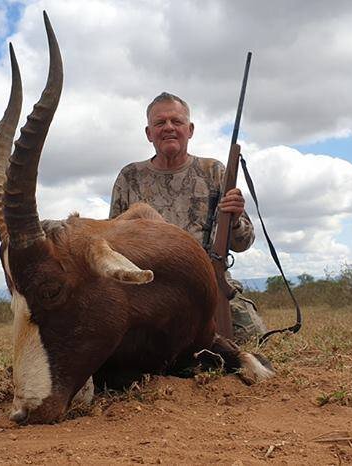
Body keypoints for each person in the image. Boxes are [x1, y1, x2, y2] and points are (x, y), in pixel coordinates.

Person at [109, 92, 267, 343]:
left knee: (250, 336)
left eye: (176, 121)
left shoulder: (214, 171)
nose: (169, 128)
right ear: (149, 133)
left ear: (190, 129)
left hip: (205, 284)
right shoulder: (129, 177)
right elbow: (113, 242)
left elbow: (243, 243)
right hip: (147, 289)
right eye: (160, 123)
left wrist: (235, 220)